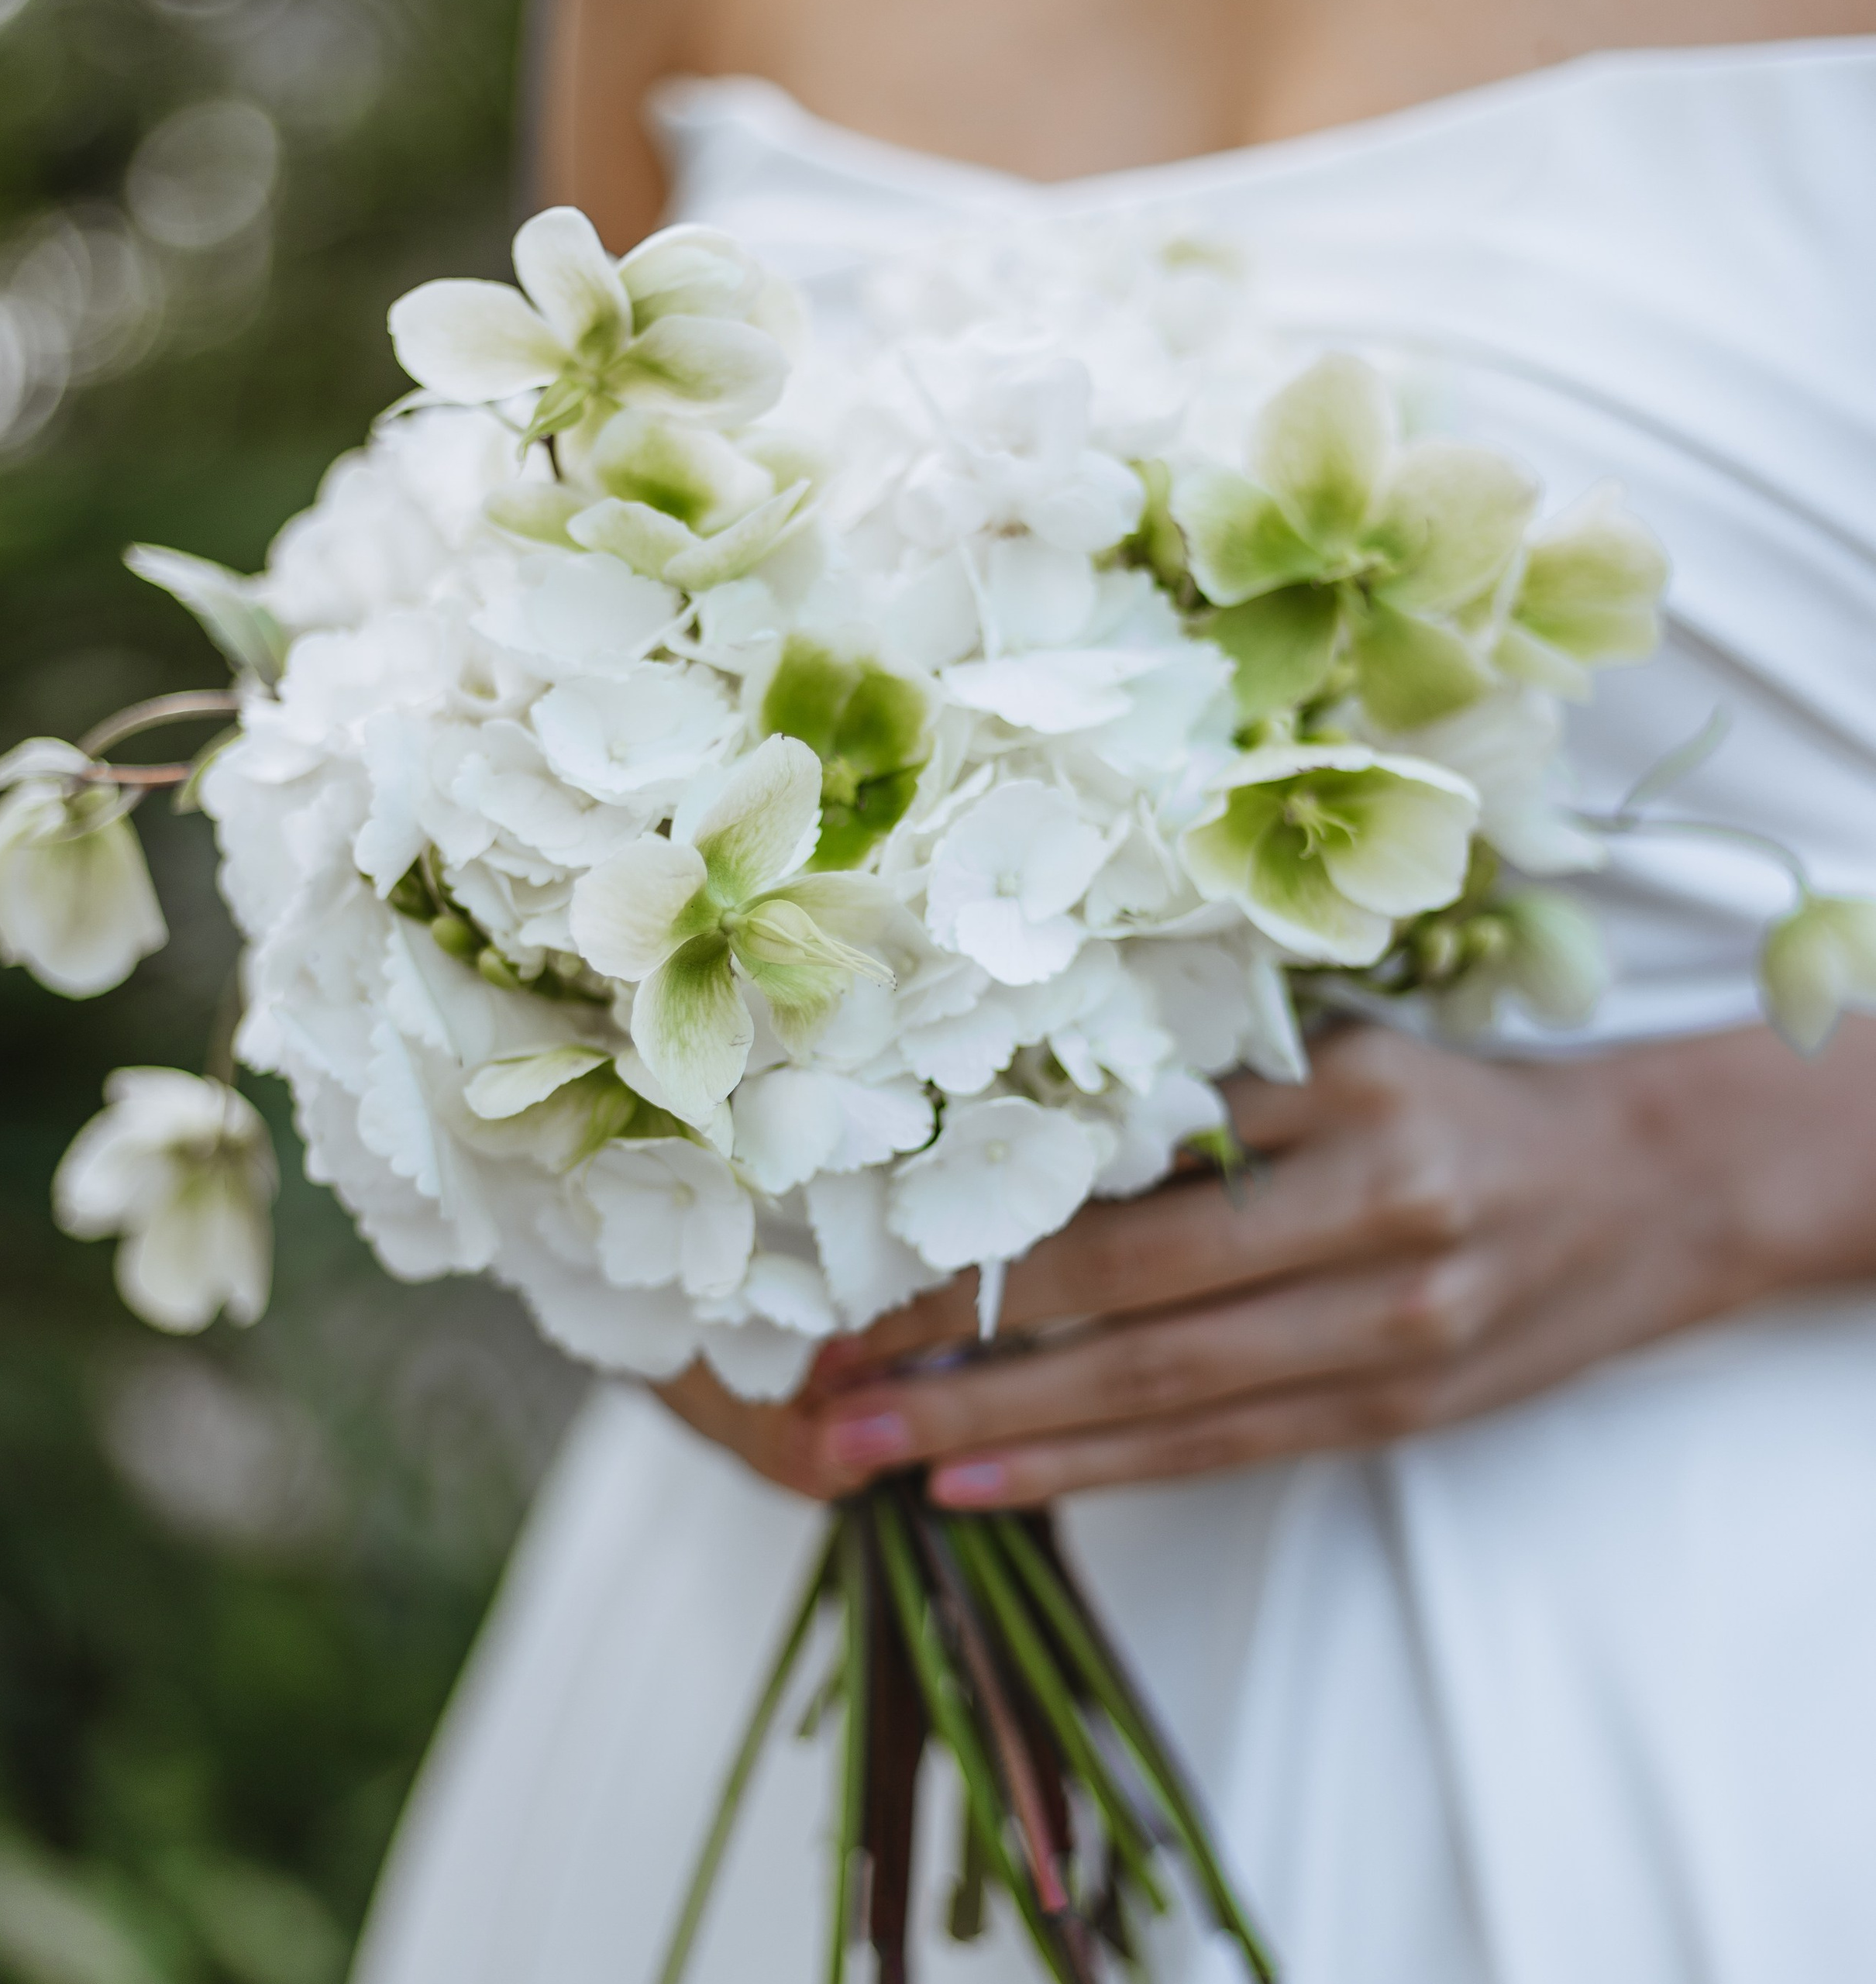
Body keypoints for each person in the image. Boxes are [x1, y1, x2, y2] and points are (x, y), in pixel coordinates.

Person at [356, 6, 1876, 1979]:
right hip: (789, 1581)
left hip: (1692, 1620)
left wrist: (1714, 1169)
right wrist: (592, 1177)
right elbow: (528, 623)